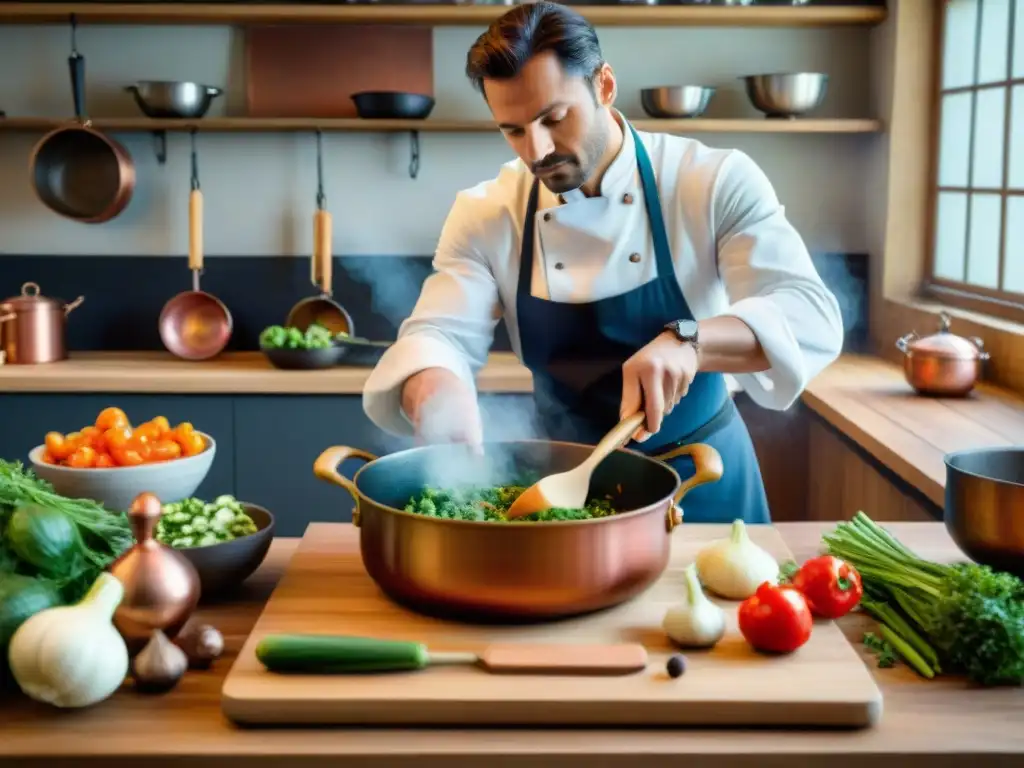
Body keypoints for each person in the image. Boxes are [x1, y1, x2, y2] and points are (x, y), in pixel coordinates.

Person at [362, 1, 843, 524]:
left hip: (703, 481)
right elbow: (439, 333)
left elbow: (809, 313)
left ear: (604, 86)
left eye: (554, 118)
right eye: (513, 130)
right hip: (565, 494)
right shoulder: (487, 211)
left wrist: (691, 340)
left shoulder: (711, 180)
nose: (537, 150)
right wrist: (435, 387)